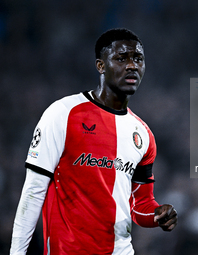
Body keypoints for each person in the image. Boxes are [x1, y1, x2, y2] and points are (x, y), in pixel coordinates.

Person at [10, 28, 178, 255]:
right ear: (100, 66)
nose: (132, 66)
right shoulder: (63, 114)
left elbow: (140, 206)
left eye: (138, 59)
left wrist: (159, 214)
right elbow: (33, 191)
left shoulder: (143, 134)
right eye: (121, 58)